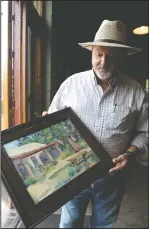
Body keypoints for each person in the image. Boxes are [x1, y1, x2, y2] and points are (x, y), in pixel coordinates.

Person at [42, 20, 148, 228]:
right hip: (72, 175)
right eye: (99, 54)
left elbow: (145, 132)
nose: (103, 62)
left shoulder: (136, 91)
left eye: (111, 56)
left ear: (123, 57)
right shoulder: (71, 85)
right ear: (91, 53)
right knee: (69, 223)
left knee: (103, 225)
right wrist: (48, 125)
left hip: (112, 178)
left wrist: (129, 153)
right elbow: (53, 122)